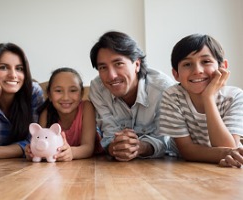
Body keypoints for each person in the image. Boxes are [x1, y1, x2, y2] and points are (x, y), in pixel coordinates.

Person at [158, 34, 243, 167]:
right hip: (186, 167)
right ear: (176, 74)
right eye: (187, 64)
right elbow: (187, 151)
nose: (197, 70)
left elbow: (228, 148)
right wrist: (223, 153)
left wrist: (208, 98)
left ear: (223, 67)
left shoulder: (235, 96)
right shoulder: (173, 96)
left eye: (206, 62)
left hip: (230, 165)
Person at [89, 31, 175, 161]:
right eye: (103, 67)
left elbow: (165, 140)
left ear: (137, 64)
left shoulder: (163, 89)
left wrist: (140, 147)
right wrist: (114, 147)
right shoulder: (98, 89)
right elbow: (108, 133)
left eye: (118, 64)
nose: (111, 76)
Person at [25, 67, 104, 162]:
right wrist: (33, 151)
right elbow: (39, 141)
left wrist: (71, 152)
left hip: (93, 161)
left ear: (81, 93)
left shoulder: (86, 108)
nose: (66, 97)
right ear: (49, 95)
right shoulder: (46, 112)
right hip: (57, 164)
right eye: (58, 91)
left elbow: (88, 148)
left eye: (73, 90)